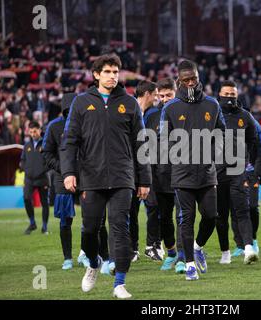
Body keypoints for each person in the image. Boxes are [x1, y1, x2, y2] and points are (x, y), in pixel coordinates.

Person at [61, 54, 151, 299]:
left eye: (116, 72)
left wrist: (145, 180)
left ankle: (119, 283)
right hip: (92, 177)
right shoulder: (81, 103)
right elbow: (69, 142)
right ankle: (93, 262)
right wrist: (69, 172)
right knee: (90, 229)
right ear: (96, 75)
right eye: (108, 72)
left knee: (120, 228)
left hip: (123, 178)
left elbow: (141, 144)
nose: (113, 76)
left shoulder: (130, 103)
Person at [159, 59, 226, 280]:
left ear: (198, 78)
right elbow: (163, 139)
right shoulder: (170, 107)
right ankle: (188, 265)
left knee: (210, 216)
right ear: (179, 80)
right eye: (186, 80)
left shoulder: (212, 104)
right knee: (185, 219)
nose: (190, 83)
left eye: (193, 79)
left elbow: (221, 133)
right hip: (182, 174)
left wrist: (214, 153)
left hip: (207, 172)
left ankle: (198, 247)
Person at [42, 93, 110, 272]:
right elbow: (46, 153)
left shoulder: (90, 122)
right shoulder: (54, 126)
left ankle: (94, 255)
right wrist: (65, 170)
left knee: (94, 220)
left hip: (88, 178)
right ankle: (67, 258)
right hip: (62, 179)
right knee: (66, 220)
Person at [212, 80, 259, 265]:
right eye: (226, 94)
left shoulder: (245, 116)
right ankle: (225, 252)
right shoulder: (212, 115)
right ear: (219, 95)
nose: (229, 98)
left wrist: (248, 165)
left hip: (238, 171)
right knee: (220, 215)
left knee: (242, 210)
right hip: (216, 172)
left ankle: (248, 248)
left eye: (233, 94)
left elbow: (253, 141)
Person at [151, 78, 186, 273]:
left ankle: (182, 256)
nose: (165, 99)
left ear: (176, 92)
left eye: (168, 95)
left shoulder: (186, 113)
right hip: (160, 175)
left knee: (182, 216)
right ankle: (171, 252)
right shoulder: (152, 117)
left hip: (182, 174)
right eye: (161, 96)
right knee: (164, 218)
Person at [132, 80, 163, 262]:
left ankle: (151, 245)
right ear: (147, 94)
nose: (158, 98)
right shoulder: (129, 110)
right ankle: (132, 248)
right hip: (130, 168)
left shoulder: (153, 115)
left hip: (148, 168)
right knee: (130, 209)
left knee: (153, 207)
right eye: (156, 94)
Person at [232, 116, 261, 258]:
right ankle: (240, 245)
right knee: (236, 208)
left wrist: (257, 174)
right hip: (235, 172)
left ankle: (253, 239)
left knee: (253, 206)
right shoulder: (227, 123)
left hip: (251, 172)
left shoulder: (254, 126)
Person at [21, 121, 50, 235]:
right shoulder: (27, 145)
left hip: (42, 178)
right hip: (29, 179)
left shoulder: (46, 144)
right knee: (27, 198)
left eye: (35, 131)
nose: (33, 134)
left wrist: (42, 170)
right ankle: (32, 223)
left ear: (39, 130)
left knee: (44, 203)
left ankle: (44, 227)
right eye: (31, 132)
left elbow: (50, 160)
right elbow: (22, 160)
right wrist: (26, 169)